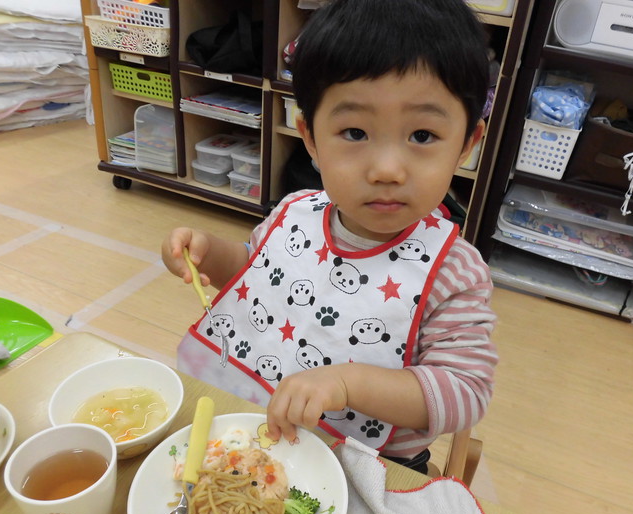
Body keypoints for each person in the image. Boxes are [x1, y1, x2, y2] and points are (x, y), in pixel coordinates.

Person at [162, 0, 497, 474]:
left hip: (370, 466)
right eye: (355, 131)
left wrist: (347, 384)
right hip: (253, 426)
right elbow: (261, 282)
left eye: (422, 136)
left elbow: (466, 391)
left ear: (466, 143)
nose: (386, 170)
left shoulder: (453, 271)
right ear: (311, 137)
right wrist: (208, 253)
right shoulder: (295, 211)